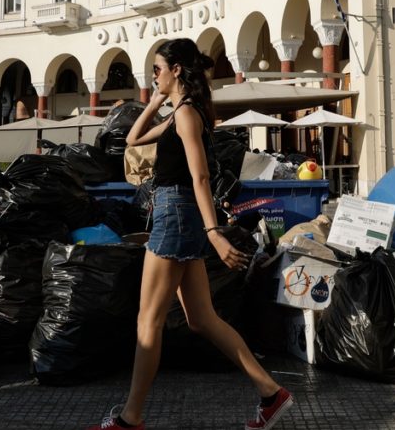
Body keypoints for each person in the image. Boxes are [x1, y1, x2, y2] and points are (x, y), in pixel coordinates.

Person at [87, 38, 293, 430]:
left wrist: (214, 232)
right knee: (201, 319)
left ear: (177, 69)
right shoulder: (181, 111)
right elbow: (131, 141)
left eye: (159, 69)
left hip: (176, 214)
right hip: (178, 213)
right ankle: (271, 393)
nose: (154, 76)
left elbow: (199, 176)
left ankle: (130, 418)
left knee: (148, 321)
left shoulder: (186, 115)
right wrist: (155, 99)